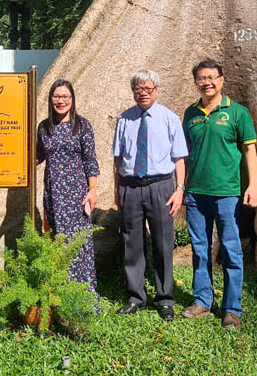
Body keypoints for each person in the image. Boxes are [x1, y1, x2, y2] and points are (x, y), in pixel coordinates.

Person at [179, 59, 257, 330]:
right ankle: (202, 301)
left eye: (212, 77)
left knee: (230, 249)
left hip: (227, 193)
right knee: (200, 249)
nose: (207, 82)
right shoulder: (190, 114)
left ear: (222, 80)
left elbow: (250, 151)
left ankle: (232, 309)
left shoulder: (237, 113)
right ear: (196, 83)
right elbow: (184, 154)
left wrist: (253, 186)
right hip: (195, 194)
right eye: (202, 78)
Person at [112, 69, 188, 321]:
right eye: (138, 89)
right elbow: (118, 158)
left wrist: (179, 189)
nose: (142, 94)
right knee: (132, 243)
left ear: (156, 90)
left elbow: (179, 158)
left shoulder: (169, 118)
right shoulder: (124, 119)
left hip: (161, 187)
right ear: (133, 91)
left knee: (162, 243)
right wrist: (116, 189)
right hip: (130, 187)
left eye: (148, 89)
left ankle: (165, 298)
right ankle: (136, 296)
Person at [36, 79, 100, 296]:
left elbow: (90, 160)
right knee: (57, 241)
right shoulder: (44, 127)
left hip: (77, 195)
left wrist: (93, 189)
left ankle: (84, 295)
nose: (61, 101)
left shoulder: (82, 126)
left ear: (72, 100)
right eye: (56, 96)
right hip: (53, 195)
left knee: (79, 244)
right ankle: (59, 296)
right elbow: (38, 156)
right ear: (50, 99)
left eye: (65, 97)